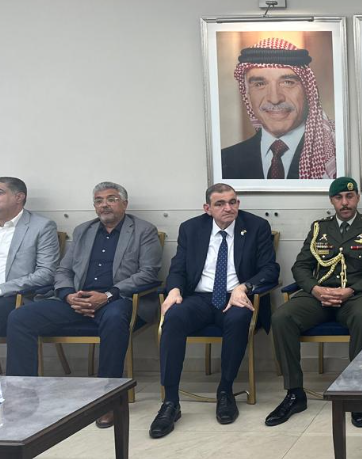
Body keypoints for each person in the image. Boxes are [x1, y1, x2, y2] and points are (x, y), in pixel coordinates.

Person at [6, 182, 162, 427]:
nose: (104, 205)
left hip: (117, 299)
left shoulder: (144, 230)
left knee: (115, 318)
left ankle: (108, 399)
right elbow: (63, 270)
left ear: (124, 204)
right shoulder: (83, 231)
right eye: (99, 200)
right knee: (20, 318)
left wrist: (107, 295)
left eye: (111, 199)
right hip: (77, 299)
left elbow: (148, 273)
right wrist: (68, 295)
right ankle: (21, 396)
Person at [149, 184, 279, 438]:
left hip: (235, 297)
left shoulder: (256, 226)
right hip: (198, 298)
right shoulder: (191, 228)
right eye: (220, 204)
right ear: (207, 208)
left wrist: (244, 287)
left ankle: (225, 391)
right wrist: (174, 290)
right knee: (173, 317)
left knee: (239, 317)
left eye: (233, 202)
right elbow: (178, 268)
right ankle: (170, 402)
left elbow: (270, 269)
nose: (228, 208)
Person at [266, 177, 362, 428]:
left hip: (355, 296)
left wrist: (352, 289)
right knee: (281, 317)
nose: (344, 203)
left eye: (349, 197)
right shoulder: (319, 228)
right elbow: (300, 266)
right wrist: (315, 289)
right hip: (319, 295)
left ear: (357, 198)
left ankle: (358, 393)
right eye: (338, 198)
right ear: (332, 201)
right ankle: (294, 393)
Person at [221, 37, 338, 180]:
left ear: (308, 91)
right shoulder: (225, 161)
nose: (275, 99)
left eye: (288, 82)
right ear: (247, 95)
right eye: (259, 84)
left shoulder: (336, 155)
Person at [0, 177, 59, 340]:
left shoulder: (41, 226)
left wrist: (2, 289)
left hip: (15, 296)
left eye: (0, 192)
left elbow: (46, 273)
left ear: (19, 197)